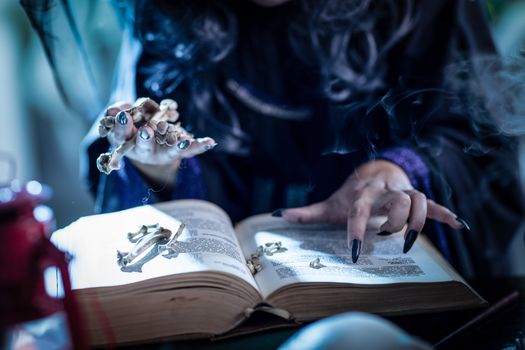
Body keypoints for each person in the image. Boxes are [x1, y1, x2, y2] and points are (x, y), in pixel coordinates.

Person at [36, 0, 523, 277]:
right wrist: (158, 168)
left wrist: (397, 173)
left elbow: (476, 142)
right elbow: (134, 146)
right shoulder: (168, 12)